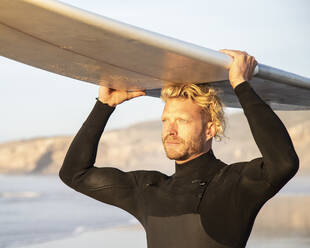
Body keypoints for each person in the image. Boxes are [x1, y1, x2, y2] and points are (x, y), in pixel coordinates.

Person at [59, 50, 299, 248]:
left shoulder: (234, 185)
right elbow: (74, 174)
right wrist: (104, 105)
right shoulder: (148, 189)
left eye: (182, 121)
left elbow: (283, 163)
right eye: (166, 121)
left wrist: (241, 85)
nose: (170, 130)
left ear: (210, 129)